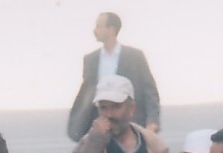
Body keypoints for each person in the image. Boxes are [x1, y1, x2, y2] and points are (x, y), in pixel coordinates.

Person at [67, 12, 160, 141]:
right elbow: (85, 94)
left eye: (99, 26)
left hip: (130, 125)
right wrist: (78, 123)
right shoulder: (90, 59)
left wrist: (152, 121)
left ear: (111, 29)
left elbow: (149, 90)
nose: (95, 30)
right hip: (101, 126)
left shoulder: (135, 56)